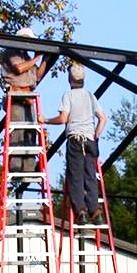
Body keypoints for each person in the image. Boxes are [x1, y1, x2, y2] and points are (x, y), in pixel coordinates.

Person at [42, 64, 107, 225]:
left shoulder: (68, 95)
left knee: (75, 177)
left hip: (75, 141)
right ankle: (96, 212)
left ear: (70, 79)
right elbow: (103, 118)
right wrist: (95, 135)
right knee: (90, 176)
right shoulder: (90, 96)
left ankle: (81, 212)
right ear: (83, 79)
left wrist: (46, 120)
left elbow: (63, 119)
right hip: (90, 141)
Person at [0, 27, 50, 172]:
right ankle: (15, 166)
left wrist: (44, 60)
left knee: (30, 133)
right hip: (16, 98)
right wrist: (37, 58)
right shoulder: (10, 52)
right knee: (18, 132)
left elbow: (37, 76)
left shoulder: (27, 57)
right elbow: (19, 69)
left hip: (28, 97)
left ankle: (28, 167)